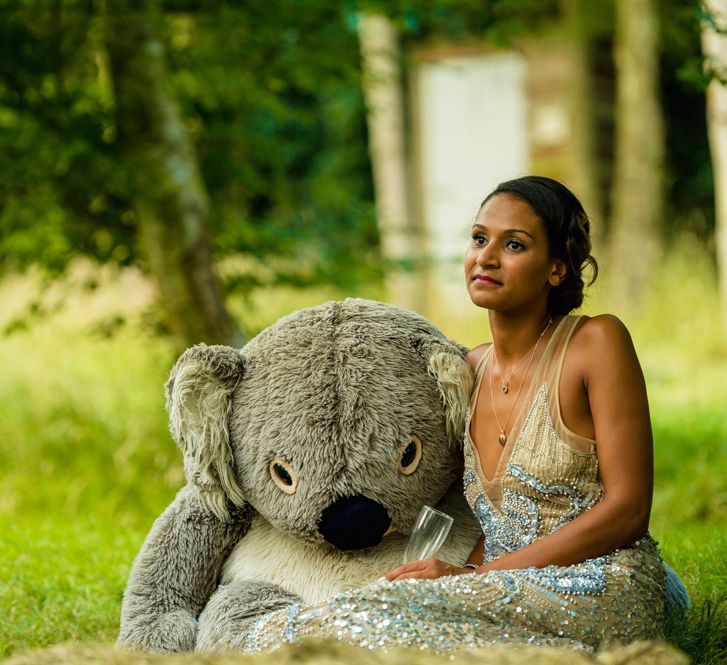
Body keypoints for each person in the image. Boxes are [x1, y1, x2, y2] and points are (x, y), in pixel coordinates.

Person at [241, 176, 680, 654]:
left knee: (367, 623)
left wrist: (475, 578)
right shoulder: (467, 370)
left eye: (514, 244)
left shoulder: (596, 343)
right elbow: (466, 506)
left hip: (598, 583)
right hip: (495, 584)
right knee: (344, 616)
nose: (486, 257)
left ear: (556, 268)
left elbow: (629, 510)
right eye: (478, 238)